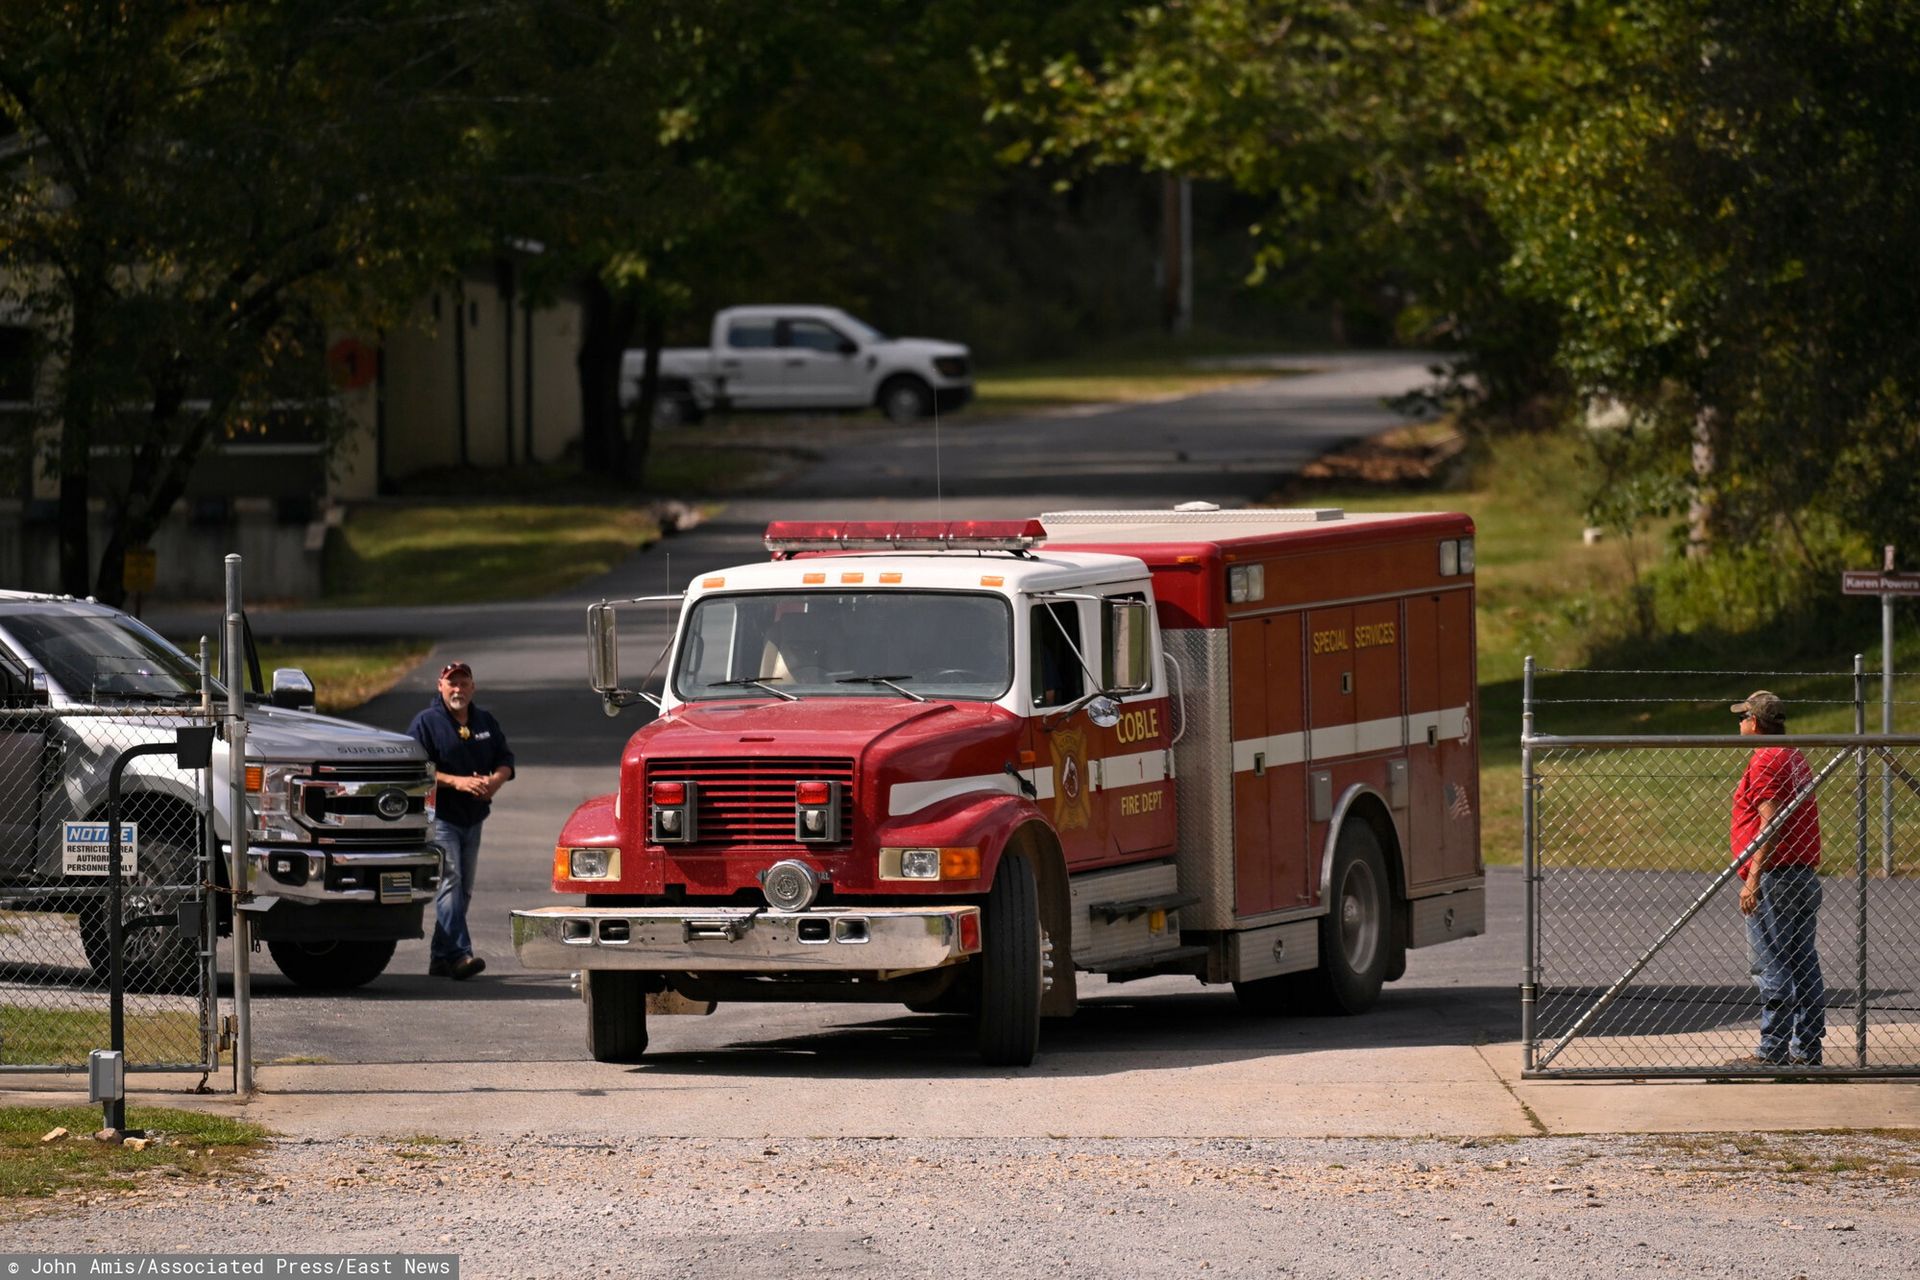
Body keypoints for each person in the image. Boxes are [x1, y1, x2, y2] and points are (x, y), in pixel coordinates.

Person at [1726, 690, 1824, 1068]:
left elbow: (1772, 823)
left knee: (1772, 964)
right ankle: (1807, 1049)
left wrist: (1753, 877)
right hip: (1801, 873)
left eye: (1742, 717)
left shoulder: (1766, 759)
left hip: (1776, 875)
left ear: (1755, 722)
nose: (1738, 724)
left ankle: (1773, 1051)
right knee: (1802, 961)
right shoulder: (1794, 754)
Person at [408, 661, 514, 980]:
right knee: (450, 881)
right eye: (451, 683)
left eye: (464, 683)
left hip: (474, 817)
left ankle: (441, 958)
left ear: (473, 687)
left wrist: (494, 782)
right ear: (440, 687)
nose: (458, 689)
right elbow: (416, 767)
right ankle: (459, 954)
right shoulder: (426, 723)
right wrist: (458, 782)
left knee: (464, 888)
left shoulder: (484, 721)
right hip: (441, 818)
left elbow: (505, 759)